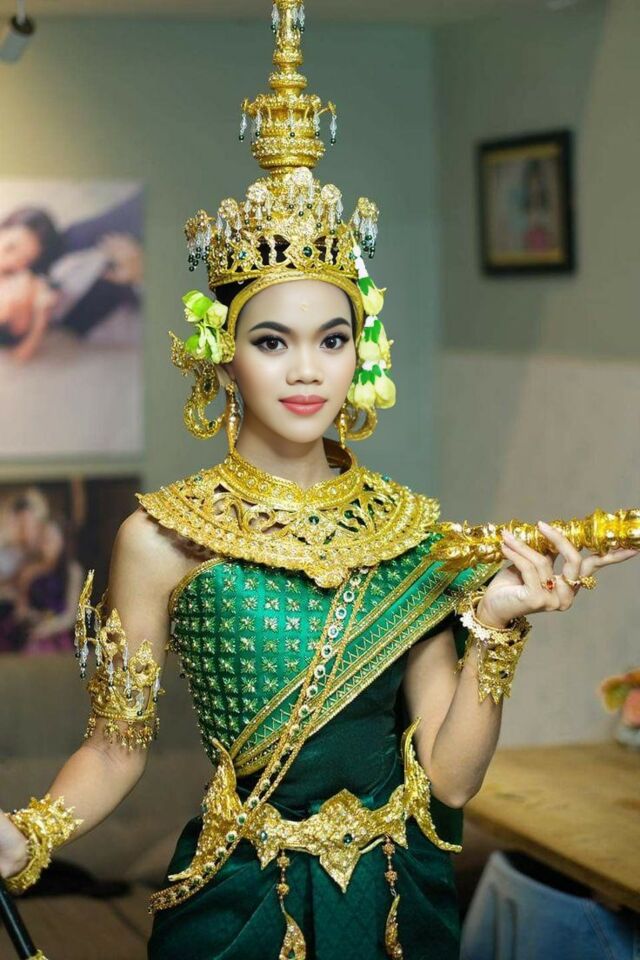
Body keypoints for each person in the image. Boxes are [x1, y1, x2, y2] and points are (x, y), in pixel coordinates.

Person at [0, 5, 637, 959]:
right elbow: (116, 748)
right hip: (242, 908)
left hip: (394, 907)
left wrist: (496, 629)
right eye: (273, 341)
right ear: (223, 360)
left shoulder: (405, 530)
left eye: (332, 340)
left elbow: (451, 780)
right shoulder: (163, 537)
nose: (307, 371)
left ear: (359, 353)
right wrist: (31, 833)